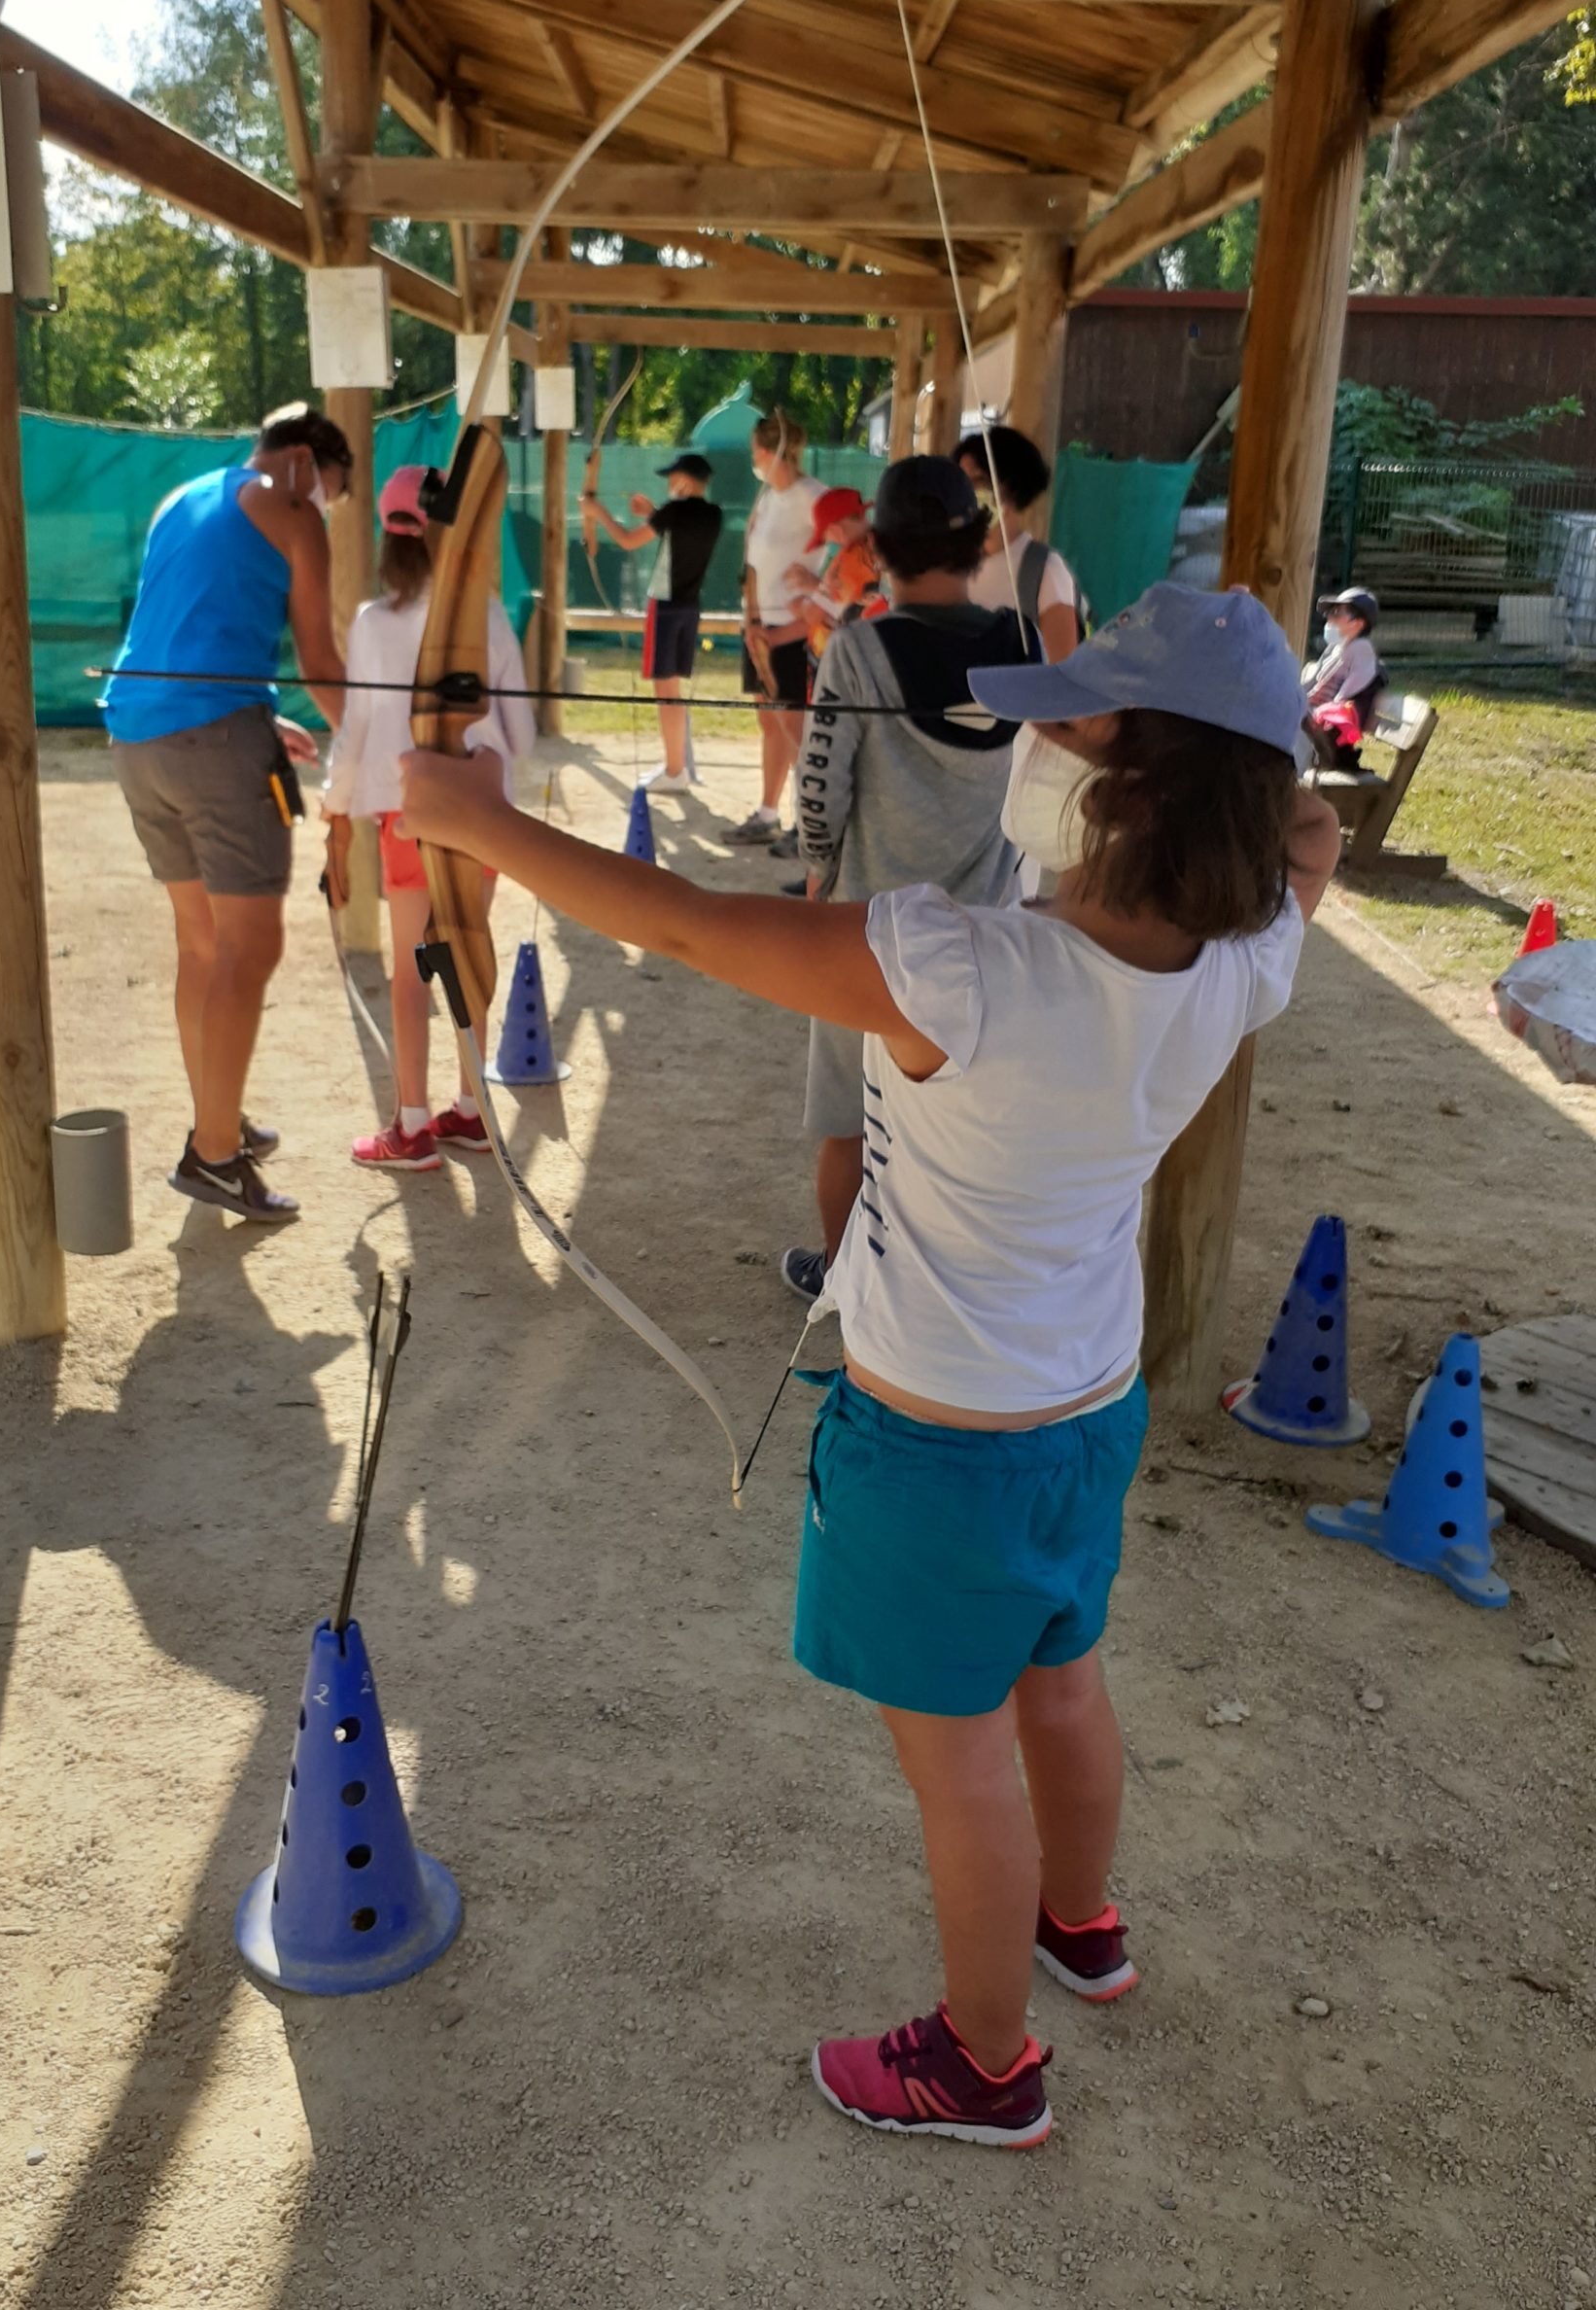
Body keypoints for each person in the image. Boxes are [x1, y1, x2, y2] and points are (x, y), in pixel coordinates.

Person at [397, 582, 1339, 2147]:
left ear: (1133, 782)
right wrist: (1239, 754)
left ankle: (984, 2062)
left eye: (1073, 722)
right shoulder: (1242, 960)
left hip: (936, 1456)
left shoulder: (958, 968)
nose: (1032, 740)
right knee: (1066, 1682)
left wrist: (474, 816)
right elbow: (1303, 844)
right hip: (1085, 1422)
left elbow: (685, 923)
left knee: (960, 1766)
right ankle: (1080, 1924)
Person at [781, 456, 1039, 1303]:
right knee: (962, 1122)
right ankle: (945, 1283)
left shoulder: (859, 648)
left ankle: (844, 1283)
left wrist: (819, 872)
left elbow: (819, 795)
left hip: (866, 938)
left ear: (880, 548)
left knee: (848, 1126)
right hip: (989, 940)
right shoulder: (1022, 645)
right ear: (972, 545)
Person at [104, 401, 352, 1225]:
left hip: (138, 736)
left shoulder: (182, 498)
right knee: (250, 948)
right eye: (332, 495)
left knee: (201, 942)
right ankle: (213, 1155)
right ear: (310, 464)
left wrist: (261, 712)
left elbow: (185, 633)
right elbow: (321, 663)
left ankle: (218, 1115)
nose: (325, 514)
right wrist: (378, 751)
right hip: (213, 741)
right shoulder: (290, 508)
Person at [322, 464, 536, 1172]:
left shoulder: (373, 623)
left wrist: (334, 809)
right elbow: (520, 727)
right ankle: (471, 1111)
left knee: (414, 972)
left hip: (412, 817)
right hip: (482, 813)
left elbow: (355, 728)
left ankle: (412, 1127)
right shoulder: (489, 613)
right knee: (469, 950)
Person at [578, 450, 722, 793]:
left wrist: (598, 513)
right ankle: (677, 765)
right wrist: (654, 514)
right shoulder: (712, 515)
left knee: (665, 691)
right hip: (689, 608)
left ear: (685, 481)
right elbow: (682, 528)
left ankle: (675, 770)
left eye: (673, 479)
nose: (669, 485)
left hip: (665, 607)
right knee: (672, 690)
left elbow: (628, 540)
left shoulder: (674, 512)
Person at [728, 412, 825, 849]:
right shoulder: (768, 497)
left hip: (790, 626)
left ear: (767, 453)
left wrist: (820, 587)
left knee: (795, 727)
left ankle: (806, 822)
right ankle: (768, 812)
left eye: (755, 452)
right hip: (759, 622)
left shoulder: (811, 494)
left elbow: (851, 533)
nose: (754, 459)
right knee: (770, 723)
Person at [955, 427, 1082, 662]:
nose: (968, 492)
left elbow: (1063, 668)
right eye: (962, 482)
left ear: (1012, 486)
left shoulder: (1044, 570)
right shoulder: (948, 564)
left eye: (980, 481)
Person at [783, 484, 884, 678]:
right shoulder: (877, 547)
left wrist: (800, 606)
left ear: (836, 530)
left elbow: (815, 613)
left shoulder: (851, 558)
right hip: (864, 657)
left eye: (826, 535)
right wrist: (815, 586)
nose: (831, 541)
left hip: (840, 665)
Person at [1302, 585, 1383, 767]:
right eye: (1331, 612)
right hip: (1312, 722)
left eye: (1338, 613)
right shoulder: (1336, 648)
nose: (1329, 618)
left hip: (1324, 737)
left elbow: (1344, 697)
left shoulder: (1361, 650)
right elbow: (1313, 683)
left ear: (1358, 623)